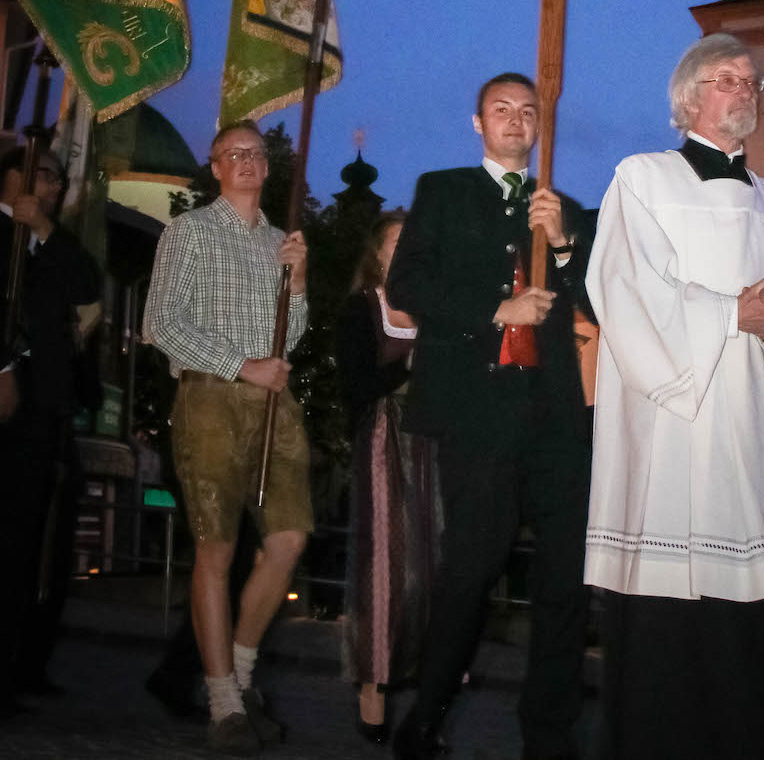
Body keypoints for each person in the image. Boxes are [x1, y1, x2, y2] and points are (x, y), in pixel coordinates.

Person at [585, 33, 764, 760]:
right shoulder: (642, 178)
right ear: (689, 97)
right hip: (679, 427)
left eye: (751, 83)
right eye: (727, 79)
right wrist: (731, 313)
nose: (744, 93)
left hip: (759, 433)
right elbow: (625, 288)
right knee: (679, 640)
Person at [386, 73, 594, 760]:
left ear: (541, 126)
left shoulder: (564, 208)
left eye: (528, 112)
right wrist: (493, 309)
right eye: (501, 110)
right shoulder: (443, 191)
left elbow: (599, 292)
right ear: (478, 123)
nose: (515, 121)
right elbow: (407, 283)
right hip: (479, 408)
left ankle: (549, 731)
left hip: (556, 414)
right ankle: (429, 711)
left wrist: (562, 246)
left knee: (566, 576)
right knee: (473, 565)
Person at [143, 120, 311, 755]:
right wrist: (241, 366)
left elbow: (290, 336)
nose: (246, 161)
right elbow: (160, 323)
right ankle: (221, 701)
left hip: (273, 401)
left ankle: (239, 676)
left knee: (289, 538)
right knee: (216, 547)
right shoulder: (188, 232)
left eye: (256, 154)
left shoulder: (280, 241)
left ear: (268, 169)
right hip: (212, 398)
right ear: (215, 167)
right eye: (233, 154)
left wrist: (298, 283)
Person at [0, 145, 100, 718]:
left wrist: (44, 229)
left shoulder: (51, 245)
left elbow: (85, 285)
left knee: (39, 539)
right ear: (13, 177)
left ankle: (25, 659)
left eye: (58, 181)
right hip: (12, 399)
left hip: (46, 409)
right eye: (42, 175)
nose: (53, 188)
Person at [334, 208, 440, 745]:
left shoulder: (439, 309)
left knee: (433, 569)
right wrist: (413, 364)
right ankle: (373, 690)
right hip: (383, 437)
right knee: (386, 567)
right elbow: (356, 385)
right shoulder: (362, 309)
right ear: (377, 254)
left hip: (435, 444)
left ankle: (429, 702)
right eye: (395, 244)